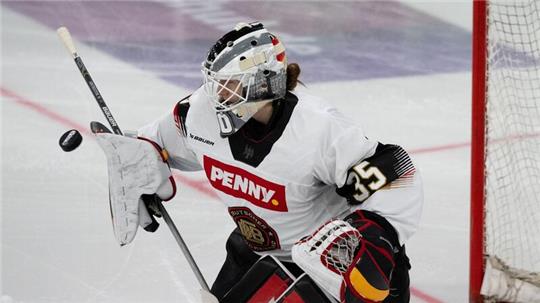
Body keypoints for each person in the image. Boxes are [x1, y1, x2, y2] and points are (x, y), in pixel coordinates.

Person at [137, 22, 423, 303]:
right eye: (216, 83)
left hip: (330, 270)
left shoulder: (317, 128)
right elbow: (158, 141)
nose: (219, 95)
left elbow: (394, 175)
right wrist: (142, 165)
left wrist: (376, 238)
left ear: (263, 82)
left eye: (230, 84)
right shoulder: (201, 113)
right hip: (258, 257)